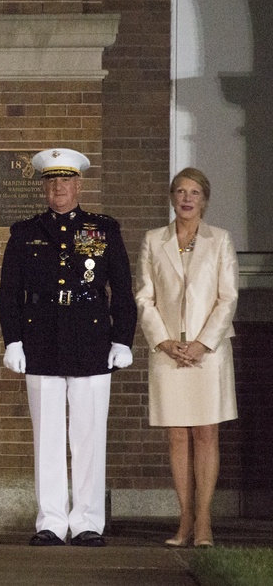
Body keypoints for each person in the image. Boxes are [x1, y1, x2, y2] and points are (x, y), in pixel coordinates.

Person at [0, 148, 136, 548]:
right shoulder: (25, 232)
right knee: (47, 437)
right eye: (52, 181)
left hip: (91, 338)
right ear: (44, 186)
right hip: (40, 337)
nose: (59, 188)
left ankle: (88, 521)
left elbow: (123, 290)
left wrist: (122, 339)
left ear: (79, 184)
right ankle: (52, 521)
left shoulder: (103, 229)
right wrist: (13, 340)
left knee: (90, 436)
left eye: (66, 181)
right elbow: (10, 293)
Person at [135, 168, 237, 548]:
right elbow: (144, 297)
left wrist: (202, 343)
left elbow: (228, 298)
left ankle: (205, 521)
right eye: (180, 191)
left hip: (207, 354)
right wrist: (163, 341)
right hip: (168, 355)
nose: (187, 198)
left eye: (194, 192)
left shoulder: (221, 240)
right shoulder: (153, 240)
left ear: (205, 199)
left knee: (206, 433)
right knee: (177, 436)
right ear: (172, 197)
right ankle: (185, 520)